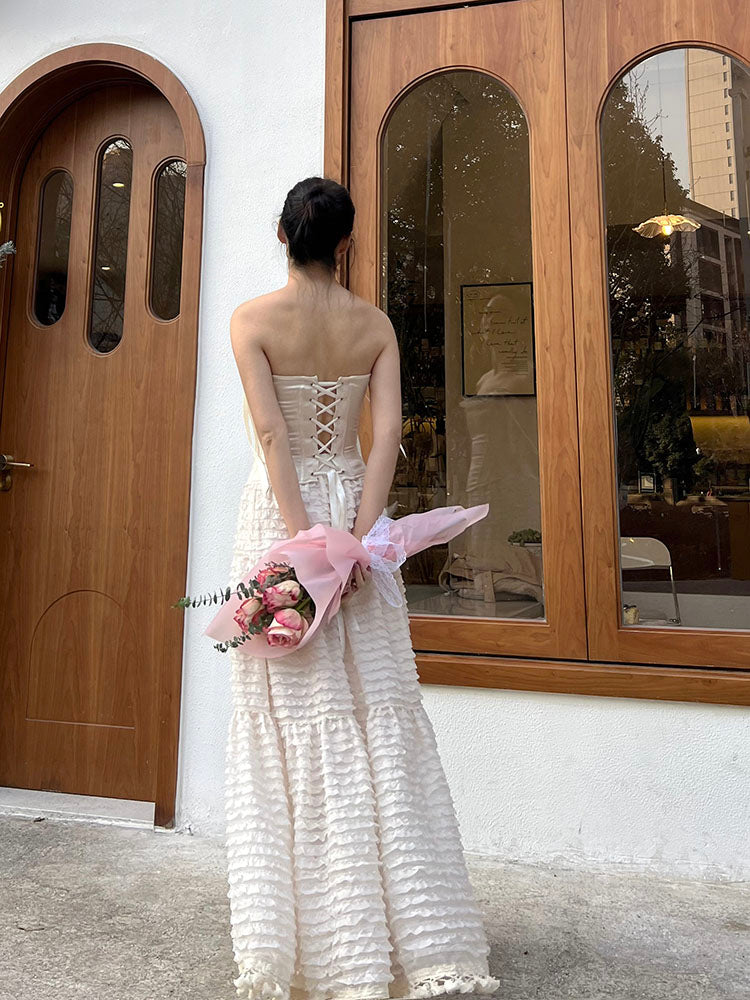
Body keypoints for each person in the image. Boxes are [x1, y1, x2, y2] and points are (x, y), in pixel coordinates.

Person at [224, 176, 500, 1000]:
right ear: (345, 243)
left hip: (280, 516)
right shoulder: (374, 324)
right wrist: (359, 540)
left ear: (283, 233)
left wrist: (305, 539)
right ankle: (406, 935)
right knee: (376, 715)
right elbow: (384, 442)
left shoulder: (249, 320)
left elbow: (273, 434)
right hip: (354, 514)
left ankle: (309, 946)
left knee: (290, 713)